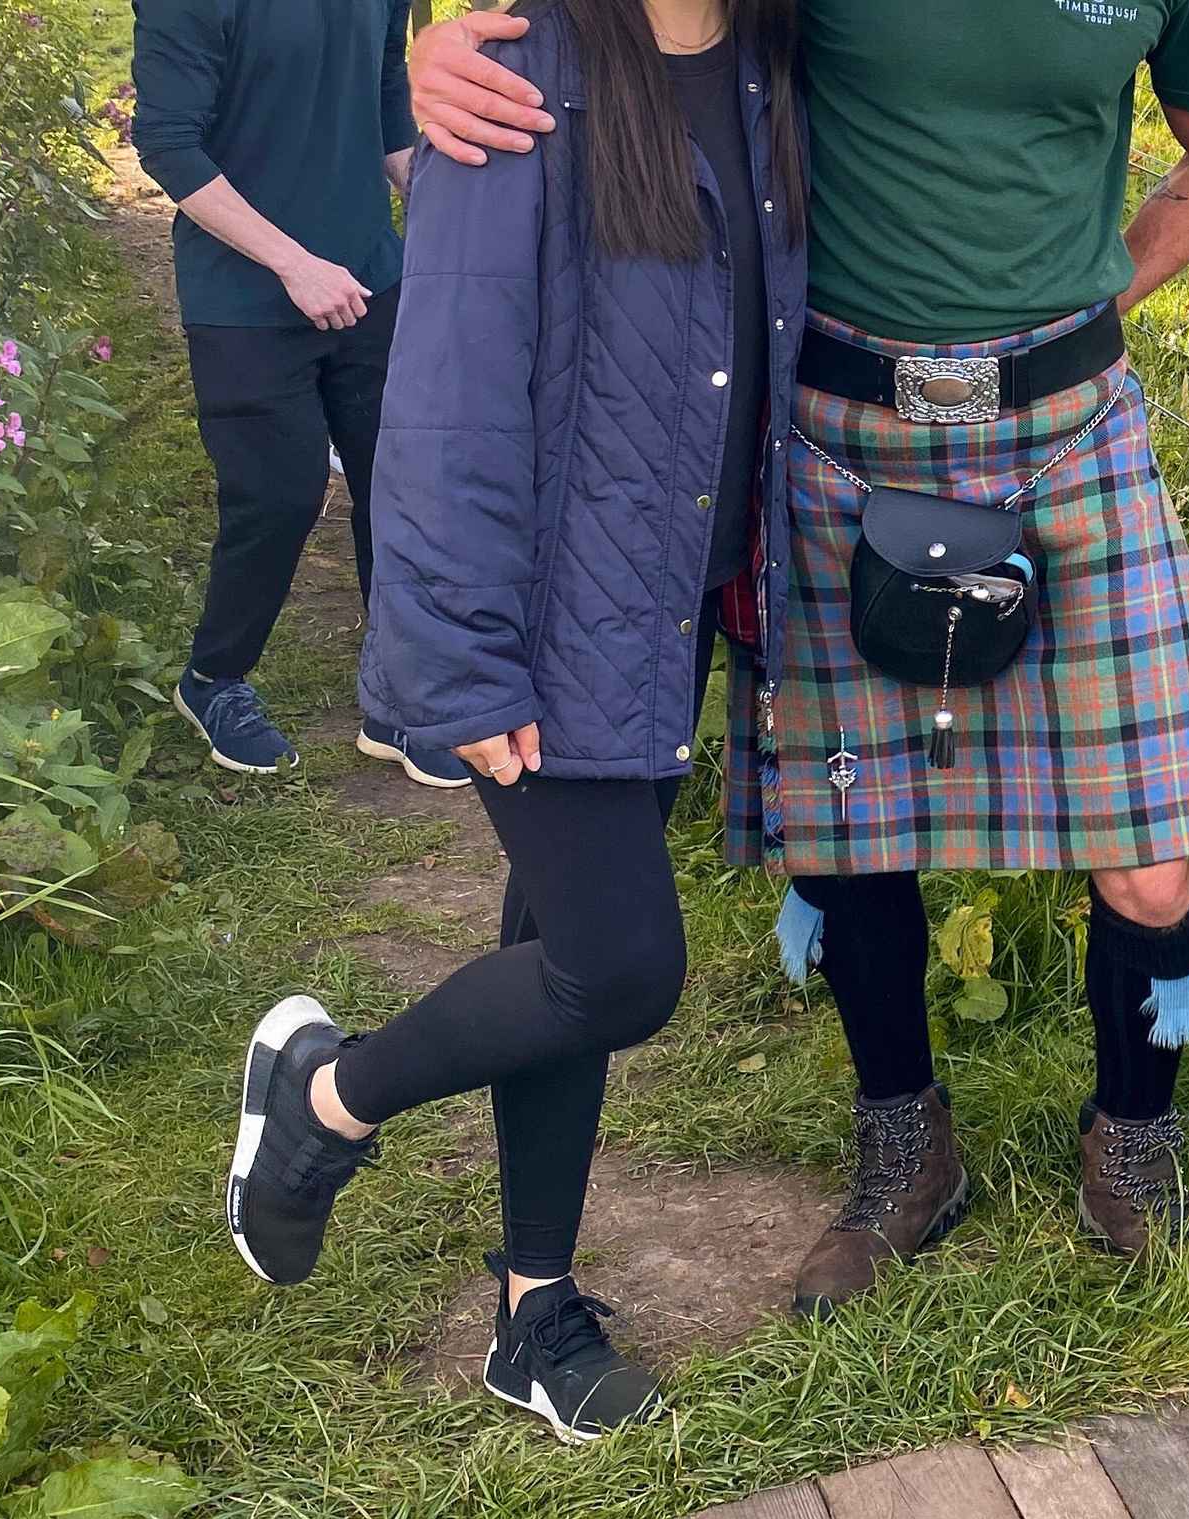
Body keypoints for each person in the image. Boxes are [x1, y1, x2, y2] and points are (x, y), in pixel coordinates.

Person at [411, 1, 1189, 1316]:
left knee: (1155, 861)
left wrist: (1098, 300)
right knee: (851, 829)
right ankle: (905, 1147)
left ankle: (1134, 1154)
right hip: (835, 422)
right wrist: (439, 51)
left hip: (1070, 428)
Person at [223, 0, 807, 1441]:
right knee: (621, 968)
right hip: (549, 619)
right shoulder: (520, 73)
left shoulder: (777, 60)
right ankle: (326, 1095)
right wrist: (466, 665)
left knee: (558, 942)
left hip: (669, 599)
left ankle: (530, 1315)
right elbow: (446, 390)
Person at [131, 0, 464, 787]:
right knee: (279, 495)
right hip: (241, 294)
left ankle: (399, 695)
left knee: (402, 484)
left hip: (369, 273)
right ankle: (213, 678)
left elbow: (383, 89)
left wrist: (433, 191)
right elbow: (168, 144)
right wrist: (294, 264)